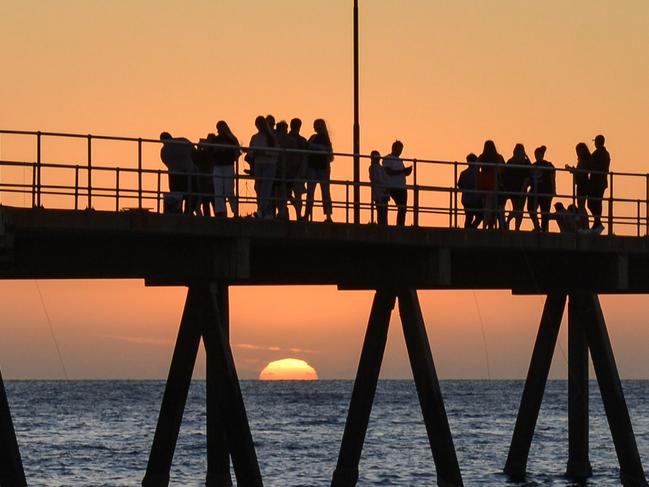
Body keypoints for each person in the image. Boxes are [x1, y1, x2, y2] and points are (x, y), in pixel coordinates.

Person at [247, 115, 277, 218]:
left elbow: (276, 153)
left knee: (266, 188)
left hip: (269, 164)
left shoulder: (271, 137)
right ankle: (265, 211)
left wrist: (264, 152)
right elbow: (250, 152)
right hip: (258, 164)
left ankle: (262, 210)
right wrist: (253, 153)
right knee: (258, 188)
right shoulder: (254, 137)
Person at [304, 119, 334, 222]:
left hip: (321, 168)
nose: (314, 127)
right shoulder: (314, 138)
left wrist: (313, 147)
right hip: (315, 167)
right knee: (314, 192)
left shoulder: (323, 139)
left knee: (323, 192)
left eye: (315, 125)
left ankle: (327, 215)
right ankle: (308, 214)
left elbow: (328, 152)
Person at [159, 132, 195, 214]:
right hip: (187, 172)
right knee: (190, 194)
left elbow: (165, 161)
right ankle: (188, 212)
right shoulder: (183, 140)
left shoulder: (164, 150)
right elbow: (193, 150)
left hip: (173, 174)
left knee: (176, 195)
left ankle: (178, 212)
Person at [211, 120, 240, 218]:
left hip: (228, 165)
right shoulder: (215, 140)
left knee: (229, 190)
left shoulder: (232, 139)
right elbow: (210, 151)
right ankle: (221, 212)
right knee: (218, 190)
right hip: (217, 166)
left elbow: (237, 152)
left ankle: (235, 211)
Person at [477, 140, 506, 229]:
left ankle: (487, 225)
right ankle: (489, 225)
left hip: (483, 185)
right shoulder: (498, 157)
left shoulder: (482, 157)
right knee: (492, 207)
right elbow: (503, 170)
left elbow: (476, 168)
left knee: (486, 206)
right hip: (493, 184)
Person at [527, 145, 556, 232]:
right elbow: (529, 179)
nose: (536, 156)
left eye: (538, 154)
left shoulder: (548, 165)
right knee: (530, 208)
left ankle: (544, 229)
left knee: (545, 211)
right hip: (534, 190)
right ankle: (537, 225)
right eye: (535, 154)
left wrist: (554, 190)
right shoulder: (533, 166)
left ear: (542, 155)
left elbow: (552, 178)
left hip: (545, 190)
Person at [504, 143, 532, 231]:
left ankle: (510, 223)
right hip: (519, 188)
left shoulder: (511, 161)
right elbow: (529, 174)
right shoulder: (525, 162)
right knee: (519, 209)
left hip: (513, 188)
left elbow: (505, 174)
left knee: (516, 209)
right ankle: (515, 227)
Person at [588, 134, 610, 234]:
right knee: (596, 203)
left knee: (592, 203)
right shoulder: (605, 153)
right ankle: (597, 223)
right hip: (601, 182)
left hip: (596, 182)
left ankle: (597, 223)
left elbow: (592, 165)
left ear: (597, 142)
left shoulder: (598, 153)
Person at [287, 118, 308, 219]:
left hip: (291, 171)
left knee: (287, 194)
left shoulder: (287, 138)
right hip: (296, 171)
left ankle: (298, 213)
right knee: (296, 195)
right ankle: (298, 214)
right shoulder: (302, 140)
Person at [457, 153, 483, 228]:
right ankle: (472, 228)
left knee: (468, 217)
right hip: (477, 200)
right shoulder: (478, 173)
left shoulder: (463, 173)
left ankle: (468, 230)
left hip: (466, 200)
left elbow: (460, 186)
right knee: (480, 215)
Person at [565, 142, 591, 215]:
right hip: (582, 183)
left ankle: (584, 223)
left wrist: (572, 169)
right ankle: (584, 223)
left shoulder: (584, 160)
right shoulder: (584, 159)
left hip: (582, 183)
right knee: (581, 206)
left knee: (581, 206)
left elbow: (581, 172)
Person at [274, 121, 292, 219]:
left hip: (285, 172)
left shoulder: (288, 141)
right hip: (279, 171)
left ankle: (282, 213)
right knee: (280, 195)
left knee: (284, 194)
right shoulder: (276, 141)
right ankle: (282, 213)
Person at [368, 150, 389, 225]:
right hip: (378, 193)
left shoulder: (381, 168)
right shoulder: (372, 168)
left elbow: (385, 179)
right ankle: (381, 226)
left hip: (384, 192)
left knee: (384, 213)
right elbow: (375, 179)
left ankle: (384, 226)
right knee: (380, 211)